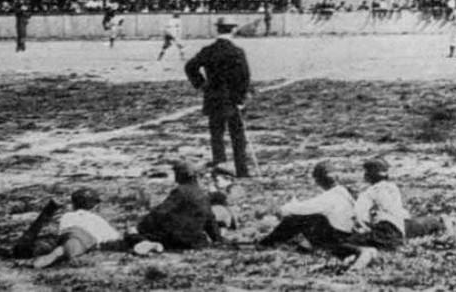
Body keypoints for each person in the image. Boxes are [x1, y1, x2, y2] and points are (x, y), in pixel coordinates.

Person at [184, 16, 252, 177]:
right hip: (232, 99)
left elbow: (190, 66)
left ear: (218, 29)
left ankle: (220, 167)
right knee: (237, 137)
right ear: (233, 29)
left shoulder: (208, 50)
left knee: (216, 135)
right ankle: (241, 170)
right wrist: (241, 98)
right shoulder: (236, 51)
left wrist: (201, 84)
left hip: (213, 98)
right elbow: (244, 77)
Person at [10, 187, 124, 269]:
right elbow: (114, 237)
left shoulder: (67, 216)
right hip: (82, 238)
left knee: (24, 248)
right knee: (66, 249)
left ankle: (48, 212)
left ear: (74, 204)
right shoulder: (96, 219)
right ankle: (55, 254)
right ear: (95, 206)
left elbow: (60, 231)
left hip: (67, 236)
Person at [257, 161, 355, 253]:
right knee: (313, 217)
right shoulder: (344, 192)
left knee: (297, 219)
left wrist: (276, 210)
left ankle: (266, 244)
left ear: (318, 180)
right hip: (350, 234)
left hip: (339, 238)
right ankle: (299, 245)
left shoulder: (330, 196)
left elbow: (299, 209)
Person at [135, 161, 221, 250]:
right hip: (196, 241)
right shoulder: (202, 194)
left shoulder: (180, 192)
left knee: (134, 236)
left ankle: (149, 244)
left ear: (181, 175)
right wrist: (217, 239)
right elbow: (210, 220)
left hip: (178, 240)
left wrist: (142, 224)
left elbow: (161, 212)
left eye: (176, 173)